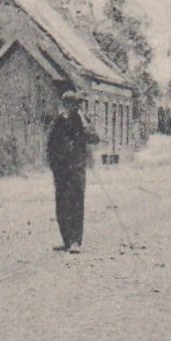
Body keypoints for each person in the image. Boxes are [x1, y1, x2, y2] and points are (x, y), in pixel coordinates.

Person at [45, 90, 99, 252]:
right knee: (61, 205)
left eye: (73, 104)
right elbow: (50, 143)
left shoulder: (82, 120)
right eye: (67, 104)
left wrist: (82, 120)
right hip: (61, 170)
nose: (70, 107)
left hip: (76, 168)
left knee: (76, 203)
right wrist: (53, 164)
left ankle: (76, 241)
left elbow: (94, 138)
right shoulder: (58, 121)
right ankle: (66, 240)